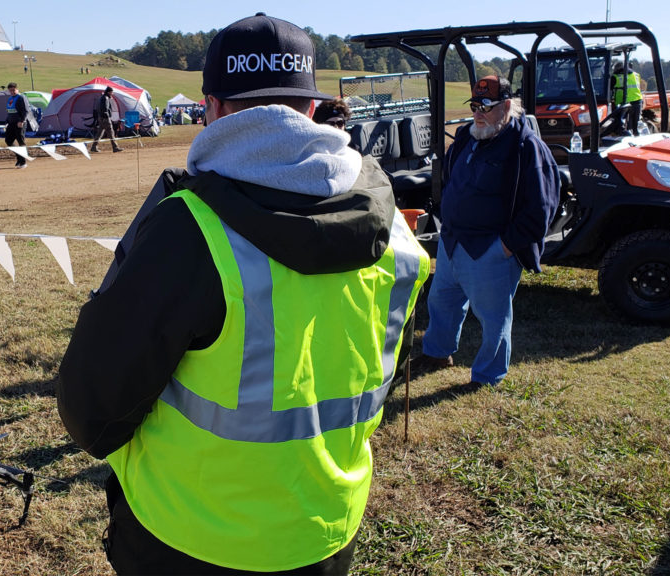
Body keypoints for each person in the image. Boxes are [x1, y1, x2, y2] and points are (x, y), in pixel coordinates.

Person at [57, 13, 429, 575]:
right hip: (326, 532)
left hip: (188, 538)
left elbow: (92, 406)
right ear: (310, 109)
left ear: (211, 108)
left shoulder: (189, 229)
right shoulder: (394, 228)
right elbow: (382, 369)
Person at [417, 76, 560, 386]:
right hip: (452, 242)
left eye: (486, 106)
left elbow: (542, 207)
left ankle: (487, 376)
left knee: (494, 320)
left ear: (506, 106)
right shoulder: (467, 138)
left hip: (490, 250)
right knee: (441, 303)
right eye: (474, 106)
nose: (478, 113)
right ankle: (437, 353)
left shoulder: (526, 146)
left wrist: (505, 247)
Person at [611, 60, 644, 136]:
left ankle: (622, 134)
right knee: (635, 125)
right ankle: (636, 135)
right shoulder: (636, 75)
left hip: (623, 103)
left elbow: (609, 89)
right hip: (637, 100)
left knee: (619, 124)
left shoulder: (615, 77)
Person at [90, 86, 122, 153]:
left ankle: (93, 147)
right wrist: (107, 117)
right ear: (109, 92)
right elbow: (105, 109)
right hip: (105, 118)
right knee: (111, 132)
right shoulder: (106, 98)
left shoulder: (102, 98)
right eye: (111, 92)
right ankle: (115, 147)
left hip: (101, 118)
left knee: (100, 133)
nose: (112, 93)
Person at [4, 82, 29, 168]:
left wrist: (21, 121)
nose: (12, 92)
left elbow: (25, 110)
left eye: (13, 90)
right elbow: (9, 111)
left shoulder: (21, 97)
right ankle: (19, 158)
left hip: (19, 123)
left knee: (20, 141)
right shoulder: (10, 98)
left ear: (17, 89)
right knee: (8, 140)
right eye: (10, 90)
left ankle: (23, 162)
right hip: (11, 123)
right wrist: (6, 121)